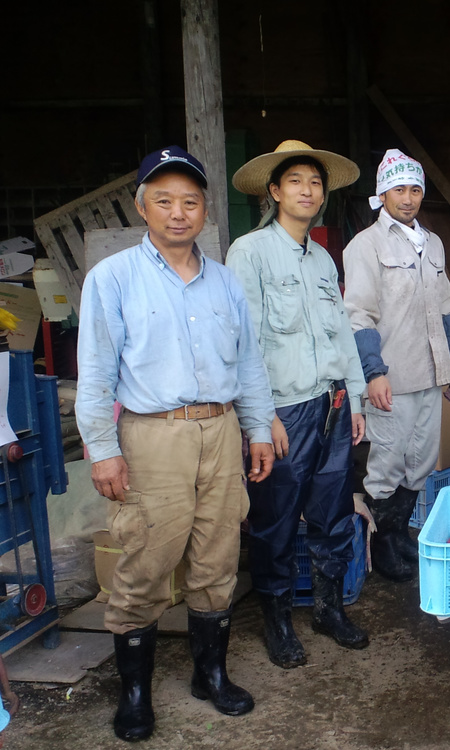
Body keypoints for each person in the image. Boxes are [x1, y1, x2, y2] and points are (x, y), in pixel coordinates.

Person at [75, 147, 276, 741]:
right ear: (142, 208)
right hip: (150, 436)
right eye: (163, 200)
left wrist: (258, 429)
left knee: (217, 557)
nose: (178, 212)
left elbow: (249, 364)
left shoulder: (224, 282)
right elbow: (95, 373)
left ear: (205, 209)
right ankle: (134, 693)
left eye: (190, 201)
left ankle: (209, 674)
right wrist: (101, 447)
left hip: (219, 430)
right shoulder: (112, 278)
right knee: (146, 560)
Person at [227, 140, 370, 668]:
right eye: (296, 182)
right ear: (274, 191)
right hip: (283, 410)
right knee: (276, 519)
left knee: (333, 513)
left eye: (315, 182)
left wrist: (354, 399)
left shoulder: (323, 258)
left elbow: (343, 337)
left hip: (331, 406)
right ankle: (278, 620)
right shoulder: (249, 252)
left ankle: (329, 609)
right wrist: (261, 417)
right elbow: (244, 343)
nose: (308, 190)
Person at [343, 148, 450, 583]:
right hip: (392, 377)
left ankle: (399, 534)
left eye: (415, 188)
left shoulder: (433, 243)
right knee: (387, 460)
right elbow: (359, 315)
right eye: (399, 188)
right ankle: (382, 544)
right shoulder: (366, 245)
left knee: (420, 459)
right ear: (383, 193)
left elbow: (446, 310)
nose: (408, 197)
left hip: (431, 373)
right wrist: (373, 372)